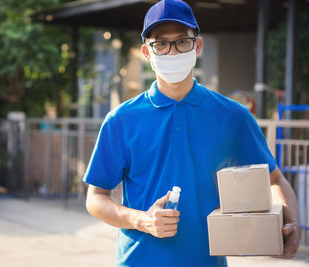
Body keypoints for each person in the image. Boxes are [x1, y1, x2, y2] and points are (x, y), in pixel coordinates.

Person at [83, 0, 301, 266]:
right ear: (146, 52)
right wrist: (142, 220)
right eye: (160, 43)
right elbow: (96, 198)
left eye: (182, 42)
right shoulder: (121, 120)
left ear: (197, 45)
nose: (172, 52)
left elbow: (274, 179)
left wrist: (292, 223)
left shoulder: (232, 116)